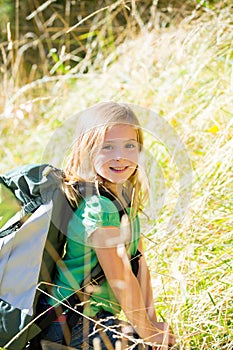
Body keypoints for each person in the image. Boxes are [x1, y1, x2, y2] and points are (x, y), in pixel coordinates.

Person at [40, 102, 176, 349]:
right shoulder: (98, 208)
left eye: (129, 145)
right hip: (66, 320)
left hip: (92, 317)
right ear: (86, 152)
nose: (120, 155)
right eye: (107, 147)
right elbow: (119, 276)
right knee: (137, 346)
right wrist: (146, 333)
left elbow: (138, 264)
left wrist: (151, 322)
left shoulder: (125, 199)